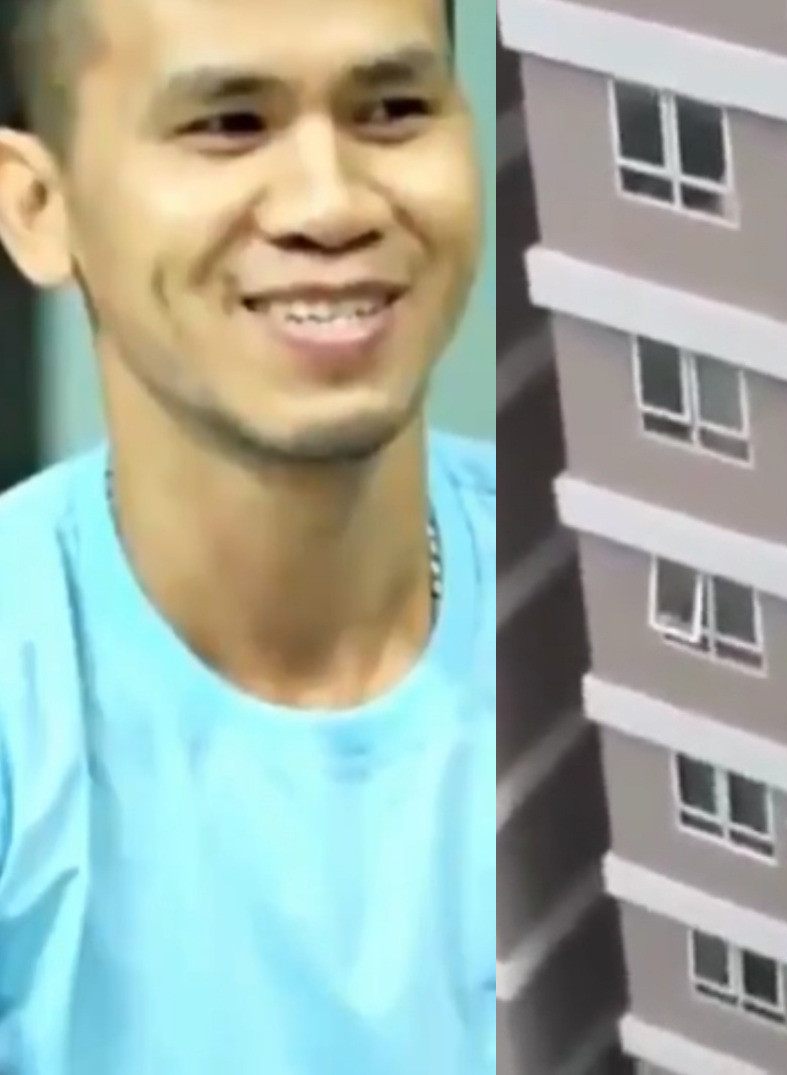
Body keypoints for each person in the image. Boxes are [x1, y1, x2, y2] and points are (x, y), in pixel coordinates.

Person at [0, 0, 494, 1071]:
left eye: (393, 109)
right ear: (37, 205)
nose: (330, 204)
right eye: (228, 125)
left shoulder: (602, 605)